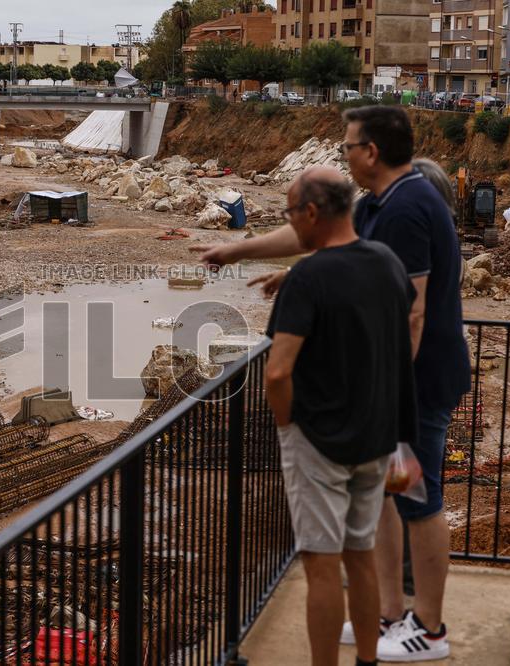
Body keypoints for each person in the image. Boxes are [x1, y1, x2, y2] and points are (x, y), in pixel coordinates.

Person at [192, 105, 470, 662]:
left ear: (371, 151)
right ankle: (388, 617)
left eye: (347, 146)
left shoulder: (406, 208)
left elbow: (412, 314)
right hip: (391, 395)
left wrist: (385, 394)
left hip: (416, 385)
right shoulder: (382, 202)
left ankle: (428, 628)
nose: (344, 154)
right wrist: (243, 252)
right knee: (385, 508)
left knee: (420, 502)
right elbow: (331, 245)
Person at [265, 166, 417, 666]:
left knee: (322, 566)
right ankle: (367, 661)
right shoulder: (387, 262)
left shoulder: (307, 277)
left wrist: (288, 429)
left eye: (291, 213)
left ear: (312, 213)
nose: (291, 222)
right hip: (375, 437)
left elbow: (277, 372)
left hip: (319, 441)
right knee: (362, 557)